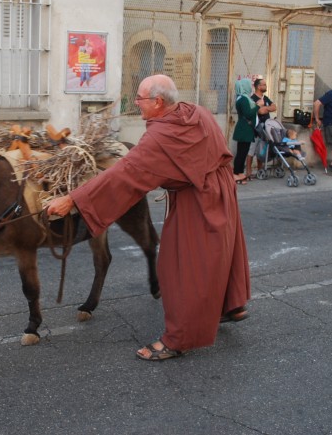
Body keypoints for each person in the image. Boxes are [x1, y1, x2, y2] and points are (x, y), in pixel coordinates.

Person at [46, 74, 250, 361]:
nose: (136, 103)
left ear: (157, 102)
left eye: (140, 99)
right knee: (220, 252)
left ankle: (178, 339)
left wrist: (72, 199)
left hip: (197, 199)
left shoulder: (160, 137)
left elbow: (124, 173)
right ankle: (233, 305)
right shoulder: (195, 111)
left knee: (179, 267)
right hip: (222, 190)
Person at [246, 77, 276, 178]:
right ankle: (249, 171)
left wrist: (265, 107)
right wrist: (266, 109)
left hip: (265, 129)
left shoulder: (265, 98)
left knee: (261, 150)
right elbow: (260, 111)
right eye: (264, 85)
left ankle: (260, 170)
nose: (266, 86)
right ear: (258, 86)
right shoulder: (252, 99)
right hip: (255, 130)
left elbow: (274, 107)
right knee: (251, 151)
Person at [232, 79, 259, 184]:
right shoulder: (243, 99)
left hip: (244, 129)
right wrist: (257, 106)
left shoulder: (241, 98)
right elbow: (248, 113)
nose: (250, 87)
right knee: (242, 152)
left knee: (242, 152)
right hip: (244, 129)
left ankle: (239, 173)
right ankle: (236, 173)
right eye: (249, 85)